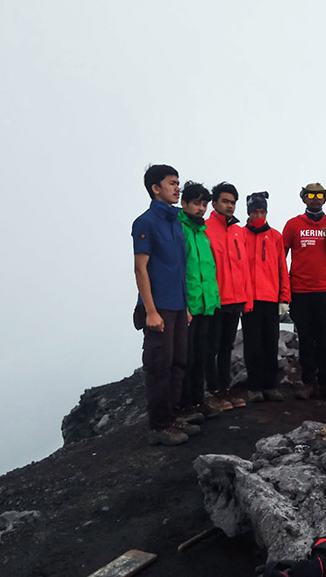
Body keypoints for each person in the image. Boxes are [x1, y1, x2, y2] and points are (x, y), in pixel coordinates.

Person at [131, 164, 201, 446]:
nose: (177, 187)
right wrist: (150, 310)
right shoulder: (145, 222)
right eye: (171, 183)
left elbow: (178, 267)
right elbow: (140, 268)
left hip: (177, 305)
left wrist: (184, 305)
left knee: (178, 362)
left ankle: (171, 417)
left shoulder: (175, 222)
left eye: (178, 182)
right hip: (157, 307)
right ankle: (159, 425)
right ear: (155, 188)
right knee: (159, 365)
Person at [282, 183, 326, 402]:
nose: (315, 199)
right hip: (300, 291)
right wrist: (283, 290)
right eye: (310, 195)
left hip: (325, 290)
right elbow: (281, 258)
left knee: (325, 339)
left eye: (319, 195)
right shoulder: (293, 225)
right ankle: (308, 382)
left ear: (325, 199)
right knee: (305, 340)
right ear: (303, 198)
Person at [177, 182, 223, 422]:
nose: (201, 208)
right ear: (183, 204)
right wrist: (182, 305)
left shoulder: (202, 233)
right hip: (188, 307)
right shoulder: (180, 230)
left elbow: (208, 270)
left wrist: (214, 301)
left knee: (203, 354)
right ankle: (184, 405)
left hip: (207, 305)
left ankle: (198, 400)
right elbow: (179, 271)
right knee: (187, 357)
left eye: (204, 204)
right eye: (196, 203)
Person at [204, 182, 252, 410]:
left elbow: (244, 268)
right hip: (215, 300)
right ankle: (212, 392)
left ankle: (224, 389)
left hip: (236, 300)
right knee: (211, 348)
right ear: (214, 203)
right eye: (225, 201)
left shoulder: (238, 231)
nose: (230, 206)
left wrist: (246, 298)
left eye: (233, 202)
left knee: (226, 347)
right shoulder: (205, 229)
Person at [241, 192, 291, 402]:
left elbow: (282, 267)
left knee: (271, 342)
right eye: (255, 212)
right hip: (248, 299)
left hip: (271, 298)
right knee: (252, 343)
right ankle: (254, 387)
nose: (259, 215)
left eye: (262, 211)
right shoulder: (240, 235)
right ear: (249, 213)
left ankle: (270, 385)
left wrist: (285, 298)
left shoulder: (276, 237)